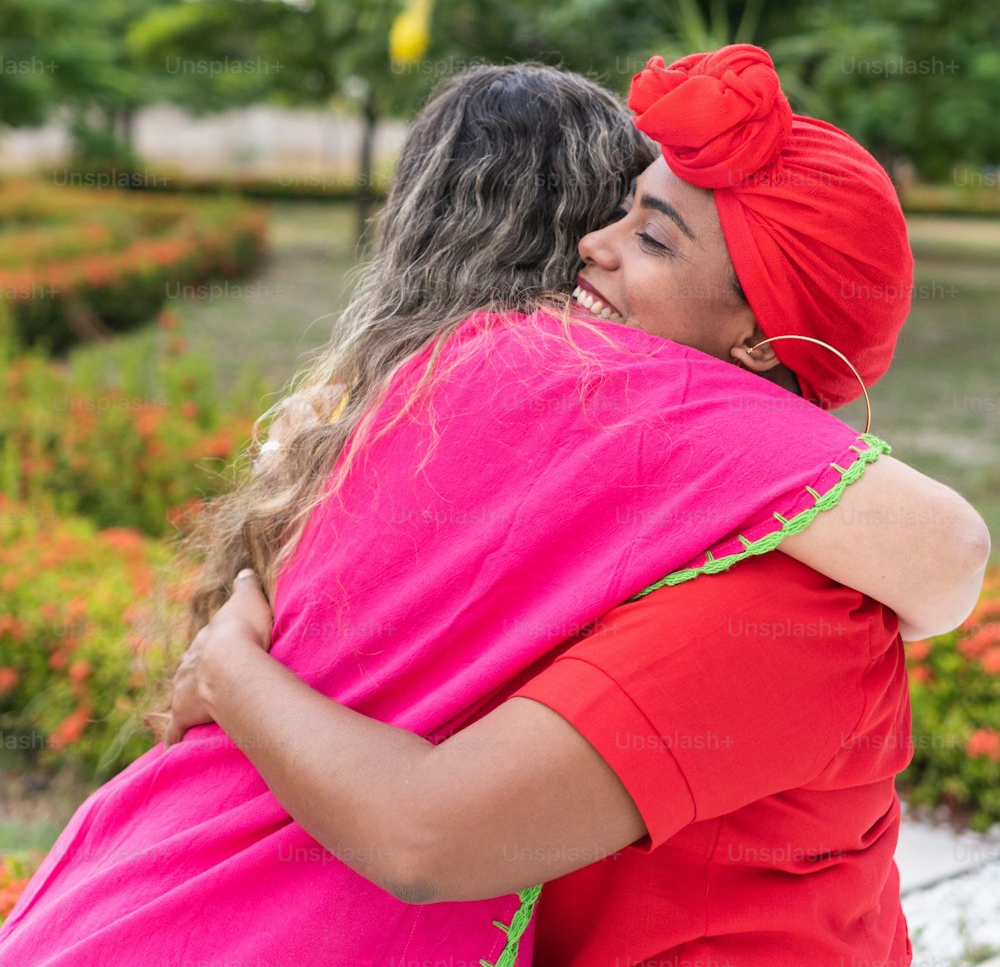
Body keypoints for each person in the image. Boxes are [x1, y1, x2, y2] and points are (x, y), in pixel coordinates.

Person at [0, 52, 987, 967]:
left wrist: (228, 669)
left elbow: (426, 835)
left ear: (762, 345)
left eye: (648, 237)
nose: (585, 254)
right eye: (616, 214)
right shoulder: (579, 465)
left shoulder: (780, 606)